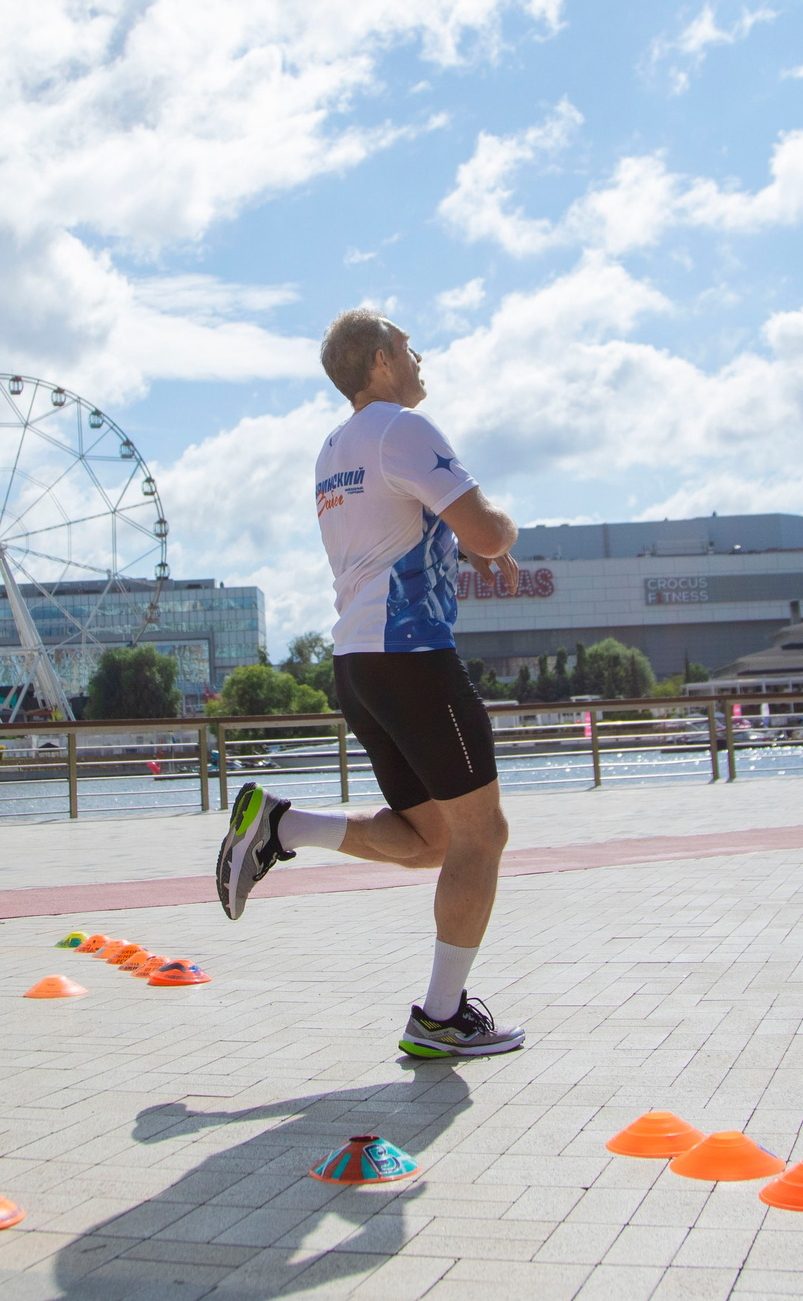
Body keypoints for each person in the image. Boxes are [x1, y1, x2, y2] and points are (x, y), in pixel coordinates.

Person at [213, 309, 527, 1061]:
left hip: (359, 663)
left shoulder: (334, 450)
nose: (422, 360)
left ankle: (284, 827)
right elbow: (486, 529)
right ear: (382, 360)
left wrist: (461, 542)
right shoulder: (402, 430)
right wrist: (500, 535)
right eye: (411, 348)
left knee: (432, 840)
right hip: (413, 656)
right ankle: (441, 1017)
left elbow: (398, 533)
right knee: (484, 834)